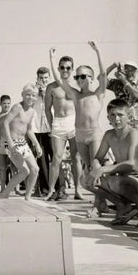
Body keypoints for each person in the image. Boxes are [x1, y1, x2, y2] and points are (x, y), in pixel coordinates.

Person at [49, 42, 108, 216]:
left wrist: (98, 51)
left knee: (96, 169)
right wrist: (51, 59)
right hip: (80, 135)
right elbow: (59, 79)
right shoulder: (75, 95)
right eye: (77, 77)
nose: (79, 79)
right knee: (89, 170)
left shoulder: (98, 93)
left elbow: (104, 73)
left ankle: (98, 206)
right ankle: (101, 202)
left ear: (91, 78)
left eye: (83, 76)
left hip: (94, 134)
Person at [87, 99, 138, 225]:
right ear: (108, 117)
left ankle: (134, 210)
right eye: (113, 115)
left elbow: (132, 164)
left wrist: (103, 169)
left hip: (135, 177)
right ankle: (123, 206)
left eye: (120, 115)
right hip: (123, 177)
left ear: (129, 117)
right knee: (87, 179)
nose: (117, 119)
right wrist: (96, 167)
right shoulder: (109, 134)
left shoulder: (133, 134)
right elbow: (98, 157)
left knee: (115, 182)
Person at [45, 55, 83, 201]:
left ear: (72, 69)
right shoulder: (51, 87)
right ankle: (51, 190)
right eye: (62, 67)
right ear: (58, 68)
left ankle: (78, 190)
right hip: (58, 123)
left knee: (76, 157)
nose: (65, 70)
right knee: (57, 158)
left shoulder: (76, 88)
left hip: (73, 123)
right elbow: (47, 109)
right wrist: (51, 127)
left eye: (68, 67)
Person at [0, 84, 42, 201]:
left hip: (22, 143)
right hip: (11, 142)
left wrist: (37, 145)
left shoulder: (32, 111)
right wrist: (10, 143)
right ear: (22, 95)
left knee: (35, 169)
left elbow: (29, 130)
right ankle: (5, 193)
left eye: (33, 95)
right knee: (24, 171)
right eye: (28, 95)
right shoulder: (17, 107)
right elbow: (5, 123)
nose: (30, 98)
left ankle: (27, 196)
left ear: (36, 97)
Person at [31, 67, 53, 197]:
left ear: (49, 78)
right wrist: (37, 93)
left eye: (45, 78)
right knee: (42, 159)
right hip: (37, 129)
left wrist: (46, 93)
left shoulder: (53, 89)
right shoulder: (33, 90)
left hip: (51, 127)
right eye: (41, 78)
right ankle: (44, 188)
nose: (43, 80)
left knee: (55, 158)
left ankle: (59, 188)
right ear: (37, 78)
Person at [106, 61, 138, 128]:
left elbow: (136, 95)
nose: (130, 73)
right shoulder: (117, 83)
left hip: (135, 122)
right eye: (127, 70)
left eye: (132, 70)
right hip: (120, 122)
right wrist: (113, 65)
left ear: (136, 72)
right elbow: (101, 79)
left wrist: (124, 80)